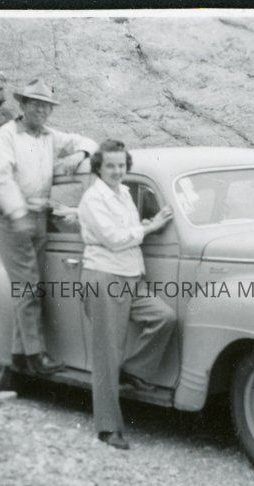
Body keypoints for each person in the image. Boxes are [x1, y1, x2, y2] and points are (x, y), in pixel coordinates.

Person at [0, 79, 97, 376]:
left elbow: (87, 142)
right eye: (35, 104)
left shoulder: (50, 136)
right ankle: (36, 355)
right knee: (28, 285)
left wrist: (80, 155)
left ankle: (20, 354)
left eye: (46, 106)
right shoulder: (7, 135)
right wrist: (18, 214)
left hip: (38, 216)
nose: (41, 111)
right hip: (11, 217)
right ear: (22, 105)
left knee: (30, 286)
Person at [77, 139, 176, 450]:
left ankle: (132, 370)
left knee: (164, 318)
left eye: (121, 165)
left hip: (131, 276)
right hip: (105, 277)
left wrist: (144, 225)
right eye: (111, 165)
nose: (117, 170)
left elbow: (127, 231)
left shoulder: (124, 193)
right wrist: (150, 227)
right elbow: (114, 239)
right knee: (107, 353)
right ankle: (108, 428)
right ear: (99, 167)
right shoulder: (93, 198)